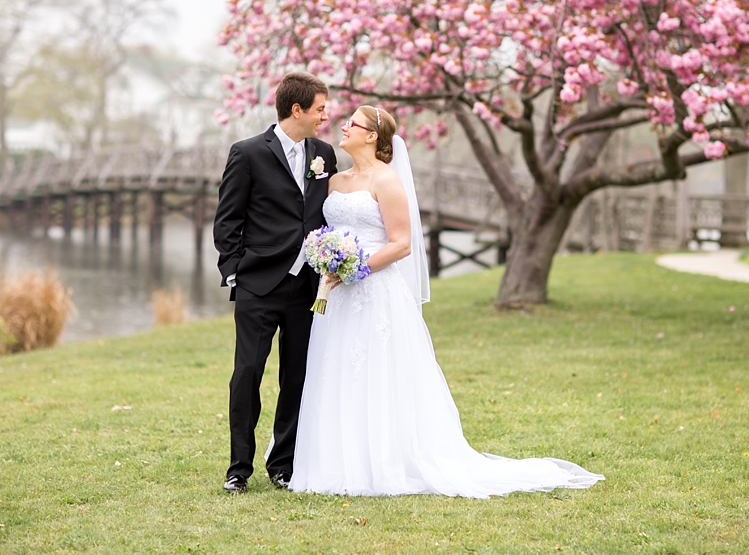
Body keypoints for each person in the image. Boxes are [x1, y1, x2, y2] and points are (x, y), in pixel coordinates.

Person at [289, 105, 604, 498]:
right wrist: (326, 257)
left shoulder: (386, 181)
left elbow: (402, 243)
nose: (344, 126)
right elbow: (327, 229)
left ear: (372, 136)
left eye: (353, 122)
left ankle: (385, 461)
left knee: (376, 373)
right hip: (335, 296)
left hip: (374, 290)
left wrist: (356, 269)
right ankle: (334, 459)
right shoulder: (333, 182)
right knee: (336, 370)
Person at [213, 72, 338, 493]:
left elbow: (326, 213)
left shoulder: (324, 154)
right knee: (247, 372)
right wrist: (234, 270)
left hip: (307, 287)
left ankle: (282, 465)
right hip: (258, 284)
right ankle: (239, 468)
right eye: (320, 108)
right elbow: (228, 219)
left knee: (298, 376)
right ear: (297, 110)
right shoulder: (247, 153)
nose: (326, 115)